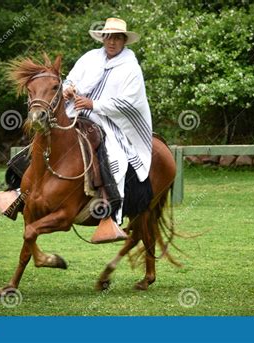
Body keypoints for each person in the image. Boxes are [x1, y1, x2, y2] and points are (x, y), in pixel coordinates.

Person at [62, 18, 152, 242]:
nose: (112, 42)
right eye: (109, 37)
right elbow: (70, 79)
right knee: (46, 133)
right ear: (103, 38)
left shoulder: (131, 68)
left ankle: (110, 214)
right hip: (75, 112)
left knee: (114, 155)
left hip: (109, 122)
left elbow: (129, 103)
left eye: (117, 38)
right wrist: (67, 89)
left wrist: (94, 104)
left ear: (124, 41)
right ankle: (19, 190)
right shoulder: (89, 58)